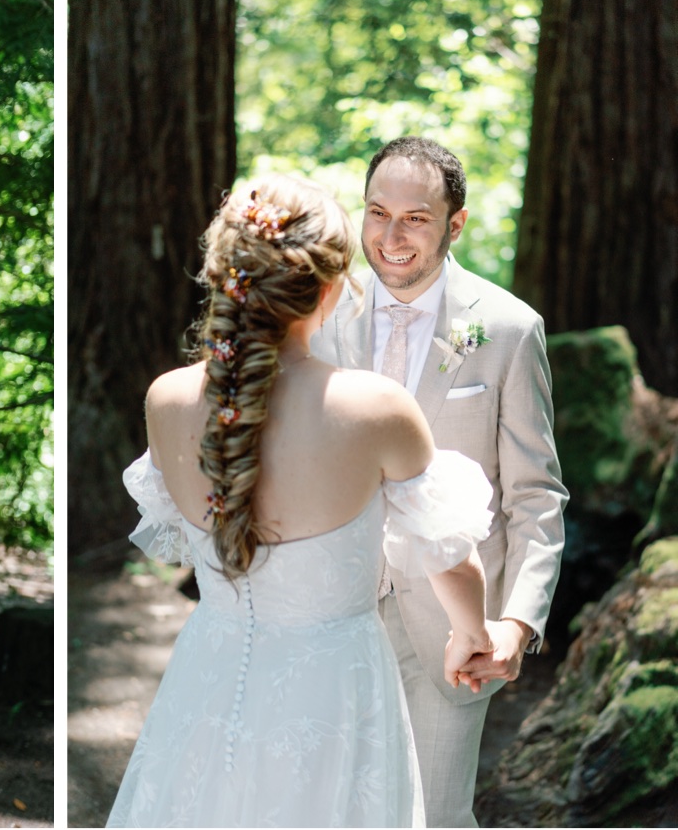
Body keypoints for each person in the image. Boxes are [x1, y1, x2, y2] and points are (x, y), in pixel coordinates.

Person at [106, 176, 495, 827]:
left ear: (225, 277)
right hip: (335, 697)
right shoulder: (373, 409)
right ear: (331, 286)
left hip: (206, 678)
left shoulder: (166, 401)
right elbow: (448, 555)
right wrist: (473, 632)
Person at [311, 136, 567, 827]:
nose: (391, 236)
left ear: (455, 224)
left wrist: (514, 623)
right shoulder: (319, 317)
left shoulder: (510, 330)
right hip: (331, 616)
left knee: (437, 815)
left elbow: (536, 498)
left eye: (415, 218)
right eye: (377, 212)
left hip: (453, 634)